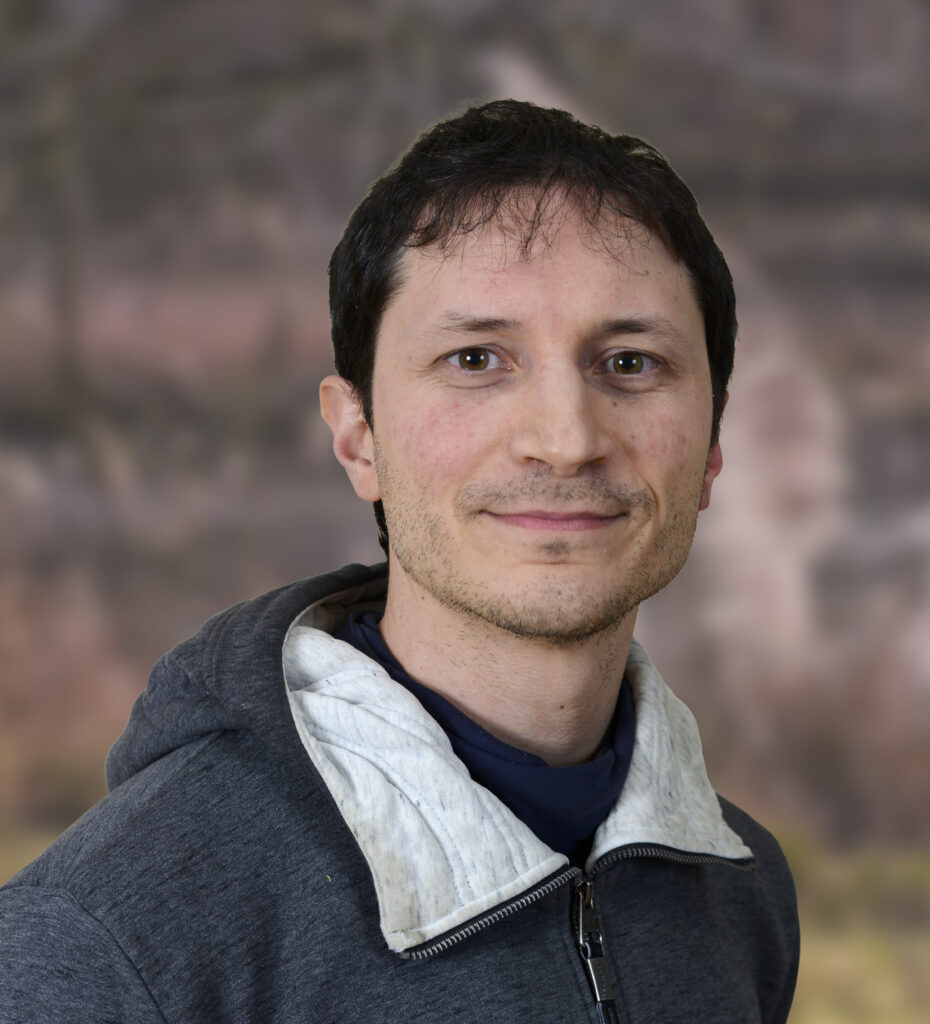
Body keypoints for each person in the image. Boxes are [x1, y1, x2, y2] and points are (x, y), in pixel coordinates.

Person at [0, 100, 799, 1022]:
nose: (567, 440)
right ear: (357, 438)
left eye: (629, 363)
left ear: (711, 444)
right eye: (476, 359)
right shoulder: (102, 941)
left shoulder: (741, 895)